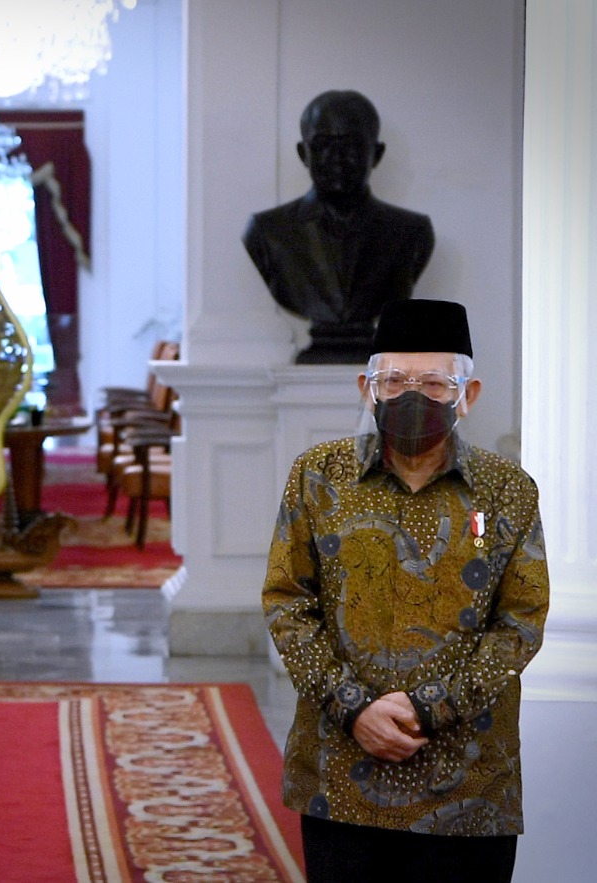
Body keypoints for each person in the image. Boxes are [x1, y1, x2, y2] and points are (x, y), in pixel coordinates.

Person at [262, 299, 548, 882]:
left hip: (468, 786)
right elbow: (288, 600)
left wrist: (427, 707)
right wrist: (354, 709)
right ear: (367, 387)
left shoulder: (507, 490)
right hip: (340, 774)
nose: (411, 396)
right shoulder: (318, 475)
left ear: (467, 396)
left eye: (435, 383)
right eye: (395, 380)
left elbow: (521, 620)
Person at [243, 90, 435, 364]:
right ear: (303, 153)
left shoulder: (412, 233)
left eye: (353, 145)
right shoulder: (266, 233)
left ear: (376, 154)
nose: (337, 157)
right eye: (323, 144)